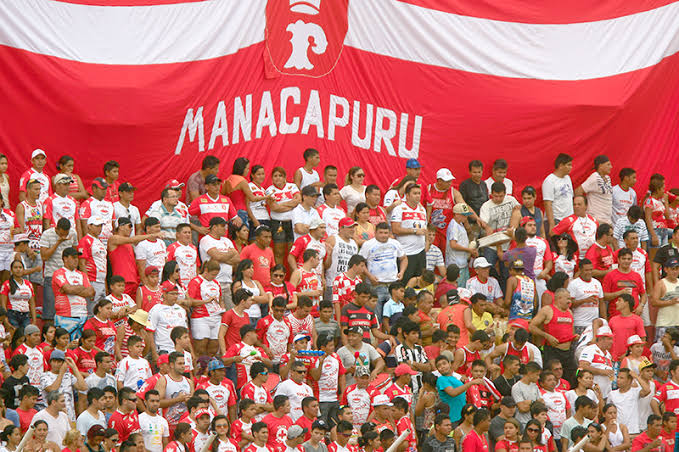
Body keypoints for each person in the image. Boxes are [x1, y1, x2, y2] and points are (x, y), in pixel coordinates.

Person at [359, 222, 407, 320]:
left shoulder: (395, 243)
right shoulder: (368, 244)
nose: (383, 235)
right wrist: (369, 276)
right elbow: (360, 263)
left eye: (386, 233)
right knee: (376, 316)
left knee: (392, 316)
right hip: (376, 284)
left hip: (392, 285)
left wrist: (401, 272)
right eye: (381, 233)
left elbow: (404, 258)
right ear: (375, 233)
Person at [530, 288, 577, 384]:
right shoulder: (547, 310)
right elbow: (531, 327)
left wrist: (574, 337)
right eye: (567, 298)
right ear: (559, 298)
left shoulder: (570, 312)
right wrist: (547, 336)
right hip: (553, 350)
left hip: (568, 352)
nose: (569, 301)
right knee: (551, 378)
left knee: (572, 378)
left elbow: (571, 331)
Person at [52, 246, 95, 340]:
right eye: (73, 257)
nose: (76, 260)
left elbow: (91, 292)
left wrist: (72, 289)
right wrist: (82, 288)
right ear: (65, 258)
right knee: (65, 346)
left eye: (77, 258)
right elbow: (68, 289)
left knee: (80, 346)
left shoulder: (82, 274)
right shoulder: (59, 273)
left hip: (83, 315)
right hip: (65, 316)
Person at [199, 216, 239, 310]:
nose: (225, 228)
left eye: (226, 226)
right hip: (212, 281)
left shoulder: (227, 240)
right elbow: (218, 256)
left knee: (230, 311)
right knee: (216, 311)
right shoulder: (206, 239)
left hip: (228, 281)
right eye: (222, 226)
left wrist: (221, 257)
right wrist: (230, 254)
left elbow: (237, 258)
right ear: (214, 227)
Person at [390, 183, 427, 283]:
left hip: (421, 252)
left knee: (420, 283)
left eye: (419, 193)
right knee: (404, 284)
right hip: (406, 253)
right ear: (407, 195)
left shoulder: (422, 209)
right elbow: (395, 229)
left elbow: (424, 230)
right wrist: (414, 231)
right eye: (415, 193)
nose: (418, 196)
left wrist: (426, 246)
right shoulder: (399, 209)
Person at [266, 167, 302, 265]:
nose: (278, 178)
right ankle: (279, 277)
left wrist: (280, 205)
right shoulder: (269, 190)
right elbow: (274, 208)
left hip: (292, 222)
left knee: (292, 252)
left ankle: (292, 278)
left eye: (280, 176)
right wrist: (291, 204)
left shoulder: (292, 186)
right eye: (275, 176)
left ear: (285, 177)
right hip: (278, 223)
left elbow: (298, 200)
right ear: (272, 178)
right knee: (279, 252)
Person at [147, 282, 189, 359]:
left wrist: (190, 351)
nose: (175, 296)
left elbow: (185, 333)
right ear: (165, 294)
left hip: (180, 351)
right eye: (172, 294)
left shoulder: (181, 310)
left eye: (176, 294)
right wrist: (154, 353)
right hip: (163, 350)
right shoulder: (156, 309)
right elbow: (150, 332)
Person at [567, 259, 604, 335]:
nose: (589, 272)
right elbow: (569, 304)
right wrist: (585, 300)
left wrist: (604, 321)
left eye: (591, 270)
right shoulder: (574, 284)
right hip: (579, 323)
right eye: (586, 270)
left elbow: (602, 303)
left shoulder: (597, 283)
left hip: (594, 324)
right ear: (580, 270)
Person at [575, 155, 613, 225]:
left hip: (607, 220)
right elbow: (578, 191)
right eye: (608, 164)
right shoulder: (594, 178)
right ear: (601, 166)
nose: (611, 167)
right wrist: (582, 208)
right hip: (596, 219)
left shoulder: (608, 178)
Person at [579, 325, 614, 399]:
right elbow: (582, 366)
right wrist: (602, 372)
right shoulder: (590, 349)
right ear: (601, 339)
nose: (612, 342)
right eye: (609, 339)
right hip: (592, 393)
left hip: (606, 394)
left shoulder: (608, 354)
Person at [445, 203, 476, 286]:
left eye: (466, 215)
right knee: (459, 288)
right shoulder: (454, 226)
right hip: (456, 264)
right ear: (456, 214)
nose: (466, 217)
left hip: (462, 262)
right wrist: (468, 250)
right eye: (463, 215)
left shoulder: (460, 224)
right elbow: (453, 245)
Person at [43, 173, 81, 238]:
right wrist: (49, 239)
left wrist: (79, 241)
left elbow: (77, 222)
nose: (67, 187)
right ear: (57, 185)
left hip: (71, 236)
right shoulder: (49, 200)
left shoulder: (73, 200)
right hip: (56, 236)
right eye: (65, 184)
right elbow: (46, 222)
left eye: (68, 184)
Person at [79, 178, 115, 246]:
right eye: (102, 189)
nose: (104, 191)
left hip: (110, 243)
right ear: (94, 189)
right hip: (95, 243)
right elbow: (84, 228)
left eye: (105, 189)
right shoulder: (87, 204)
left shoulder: (110, 204)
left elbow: (113, 225)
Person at [0, 260, 36, 328]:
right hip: (12, 314)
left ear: (23, 269)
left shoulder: (29, 284)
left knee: (26, 337)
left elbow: (32, 304)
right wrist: (6, 320)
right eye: (15, 267)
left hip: (26, 315)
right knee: (15, 336)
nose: (18, 269)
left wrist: (34, 320)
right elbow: (3, 304)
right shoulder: (6, 284)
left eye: (20, 267)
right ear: (11, 270)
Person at [166, 224, 198, 288]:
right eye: (185, 232)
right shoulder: (172, 247)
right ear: (178, 234)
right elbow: (168, 267)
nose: (188, 235)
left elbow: (197, 266)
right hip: (179, 284)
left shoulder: (194, 248)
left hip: (192, 284)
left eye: (189, 232)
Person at [511, 361, 542, 428]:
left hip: (535, 422)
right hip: (523, 422)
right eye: (537, 375)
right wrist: (535, 403)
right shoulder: (517, 387)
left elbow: (541, 404)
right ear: (530, 373)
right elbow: (522, 408)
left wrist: (530, 403)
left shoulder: (535, 386)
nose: (538, 377)